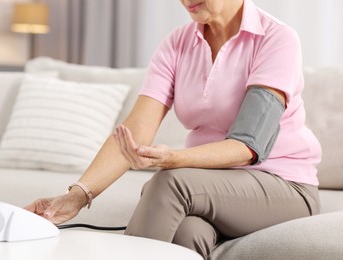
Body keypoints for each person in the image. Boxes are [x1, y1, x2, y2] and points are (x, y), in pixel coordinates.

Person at [25, 0, 322, 258]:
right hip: (209, 188)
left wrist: (173, 160)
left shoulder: (276, 38)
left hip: (283, 187)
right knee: (187, 232)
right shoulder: (177, 44)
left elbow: (248, 146)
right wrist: (77, 196)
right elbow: (134, 134)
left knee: (170, 183)